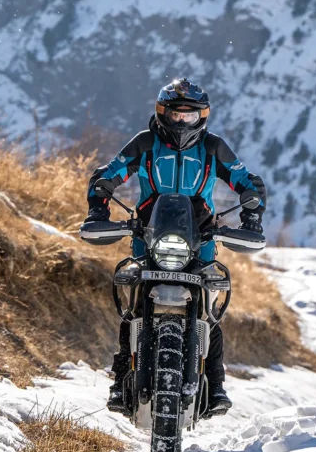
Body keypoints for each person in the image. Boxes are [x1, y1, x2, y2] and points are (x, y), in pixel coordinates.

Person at [84, 78, 266, 416]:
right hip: (149, 236)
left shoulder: (214, 148)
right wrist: (99, 206)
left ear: (202, 116)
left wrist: (252, 215)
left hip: (201, 239)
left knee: (209, 313)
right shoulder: (145, 143)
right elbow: (108, 174)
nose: (182, 121)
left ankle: (216, 385)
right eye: (175, 114)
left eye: (190, 115)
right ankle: (122, 376)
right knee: (134, 307)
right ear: (161, 112)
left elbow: (247, 182)